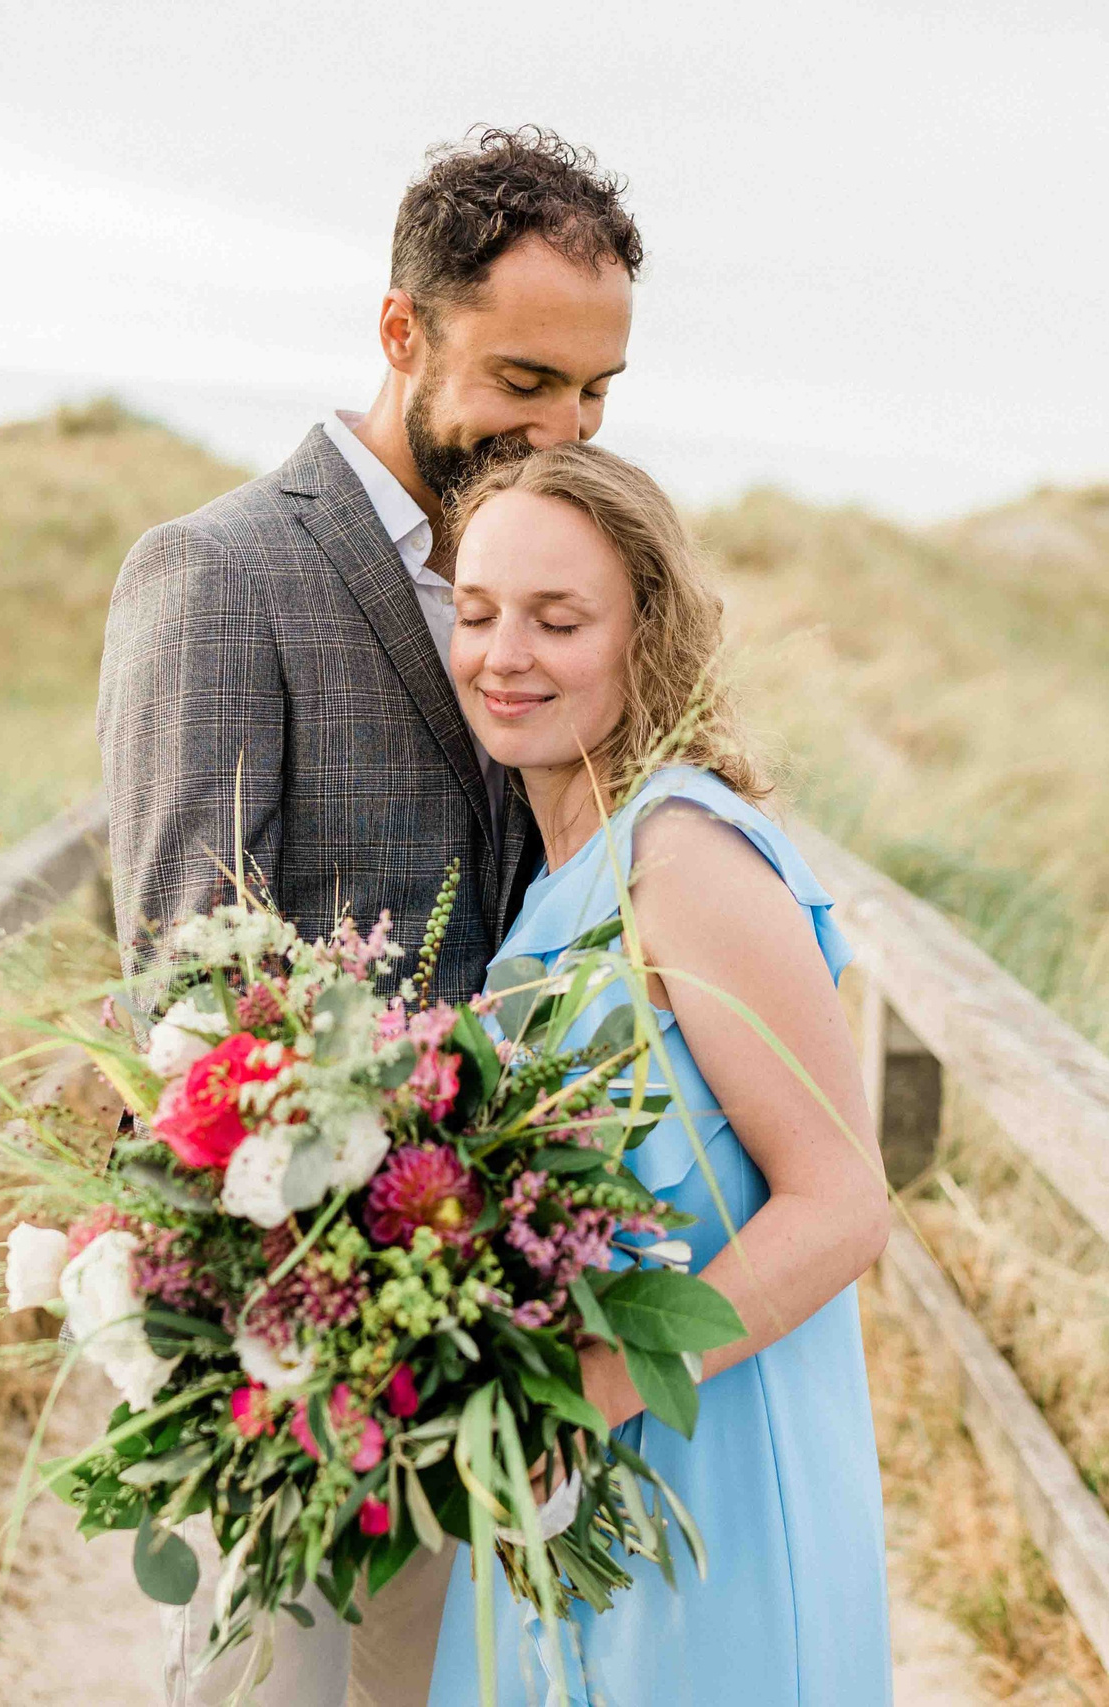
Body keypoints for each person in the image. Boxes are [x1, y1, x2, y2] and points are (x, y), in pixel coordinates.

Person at [96, 128, 644, 1706]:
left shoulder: (555, 571)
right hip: (315, 1342)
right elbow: (186, 989)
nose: (568, 427)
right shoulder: (217, 575)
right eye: (527, 379)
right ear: (402, 331)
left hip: (522, 1339)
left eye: (599, 393)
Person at [425, 443, 897, 1706]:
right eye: (475, 614)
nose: (501, 654)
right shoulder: (551, 870)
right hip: (573, 1485)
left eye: (557, 619)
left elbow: (844, 1203)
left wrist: (589, 1389)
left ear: (651, 633)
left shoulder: (679, 857)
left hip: (709, 1474)